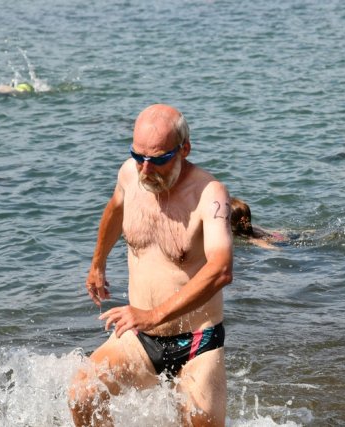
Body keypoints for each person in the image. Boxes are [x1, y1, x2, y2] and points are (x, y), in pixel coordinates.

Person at [69, 104, 234, 427]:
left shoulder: (210, 194)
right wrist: (98, 264)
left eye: (158, 159)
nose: (146, 169)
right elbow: (115, 208)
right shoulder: (130, 175)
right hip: (140, 337)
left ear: (184, 149)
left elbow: (221, 269)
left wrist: (153, 315)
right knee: (83, 395)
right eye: (138, 156)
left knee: (200, 421)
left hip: (197, 341)